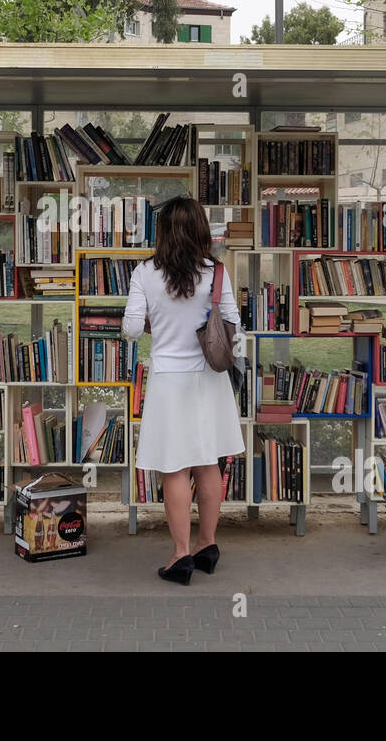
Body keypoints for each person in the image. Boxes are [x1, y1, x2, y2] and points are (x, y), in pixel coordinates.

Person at [123, 196, 245, 585]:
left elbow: (129, 329)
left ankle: (180, 556)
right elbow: (234, 329)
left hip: (169, 382)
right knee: (209, 464)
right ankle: (207, 546)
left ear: (162, 232)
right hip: (210, 379)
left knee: (174, 468)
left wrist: (153, 326)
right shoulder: (217, 273)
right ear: (200, 230)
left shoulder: (144, 273)